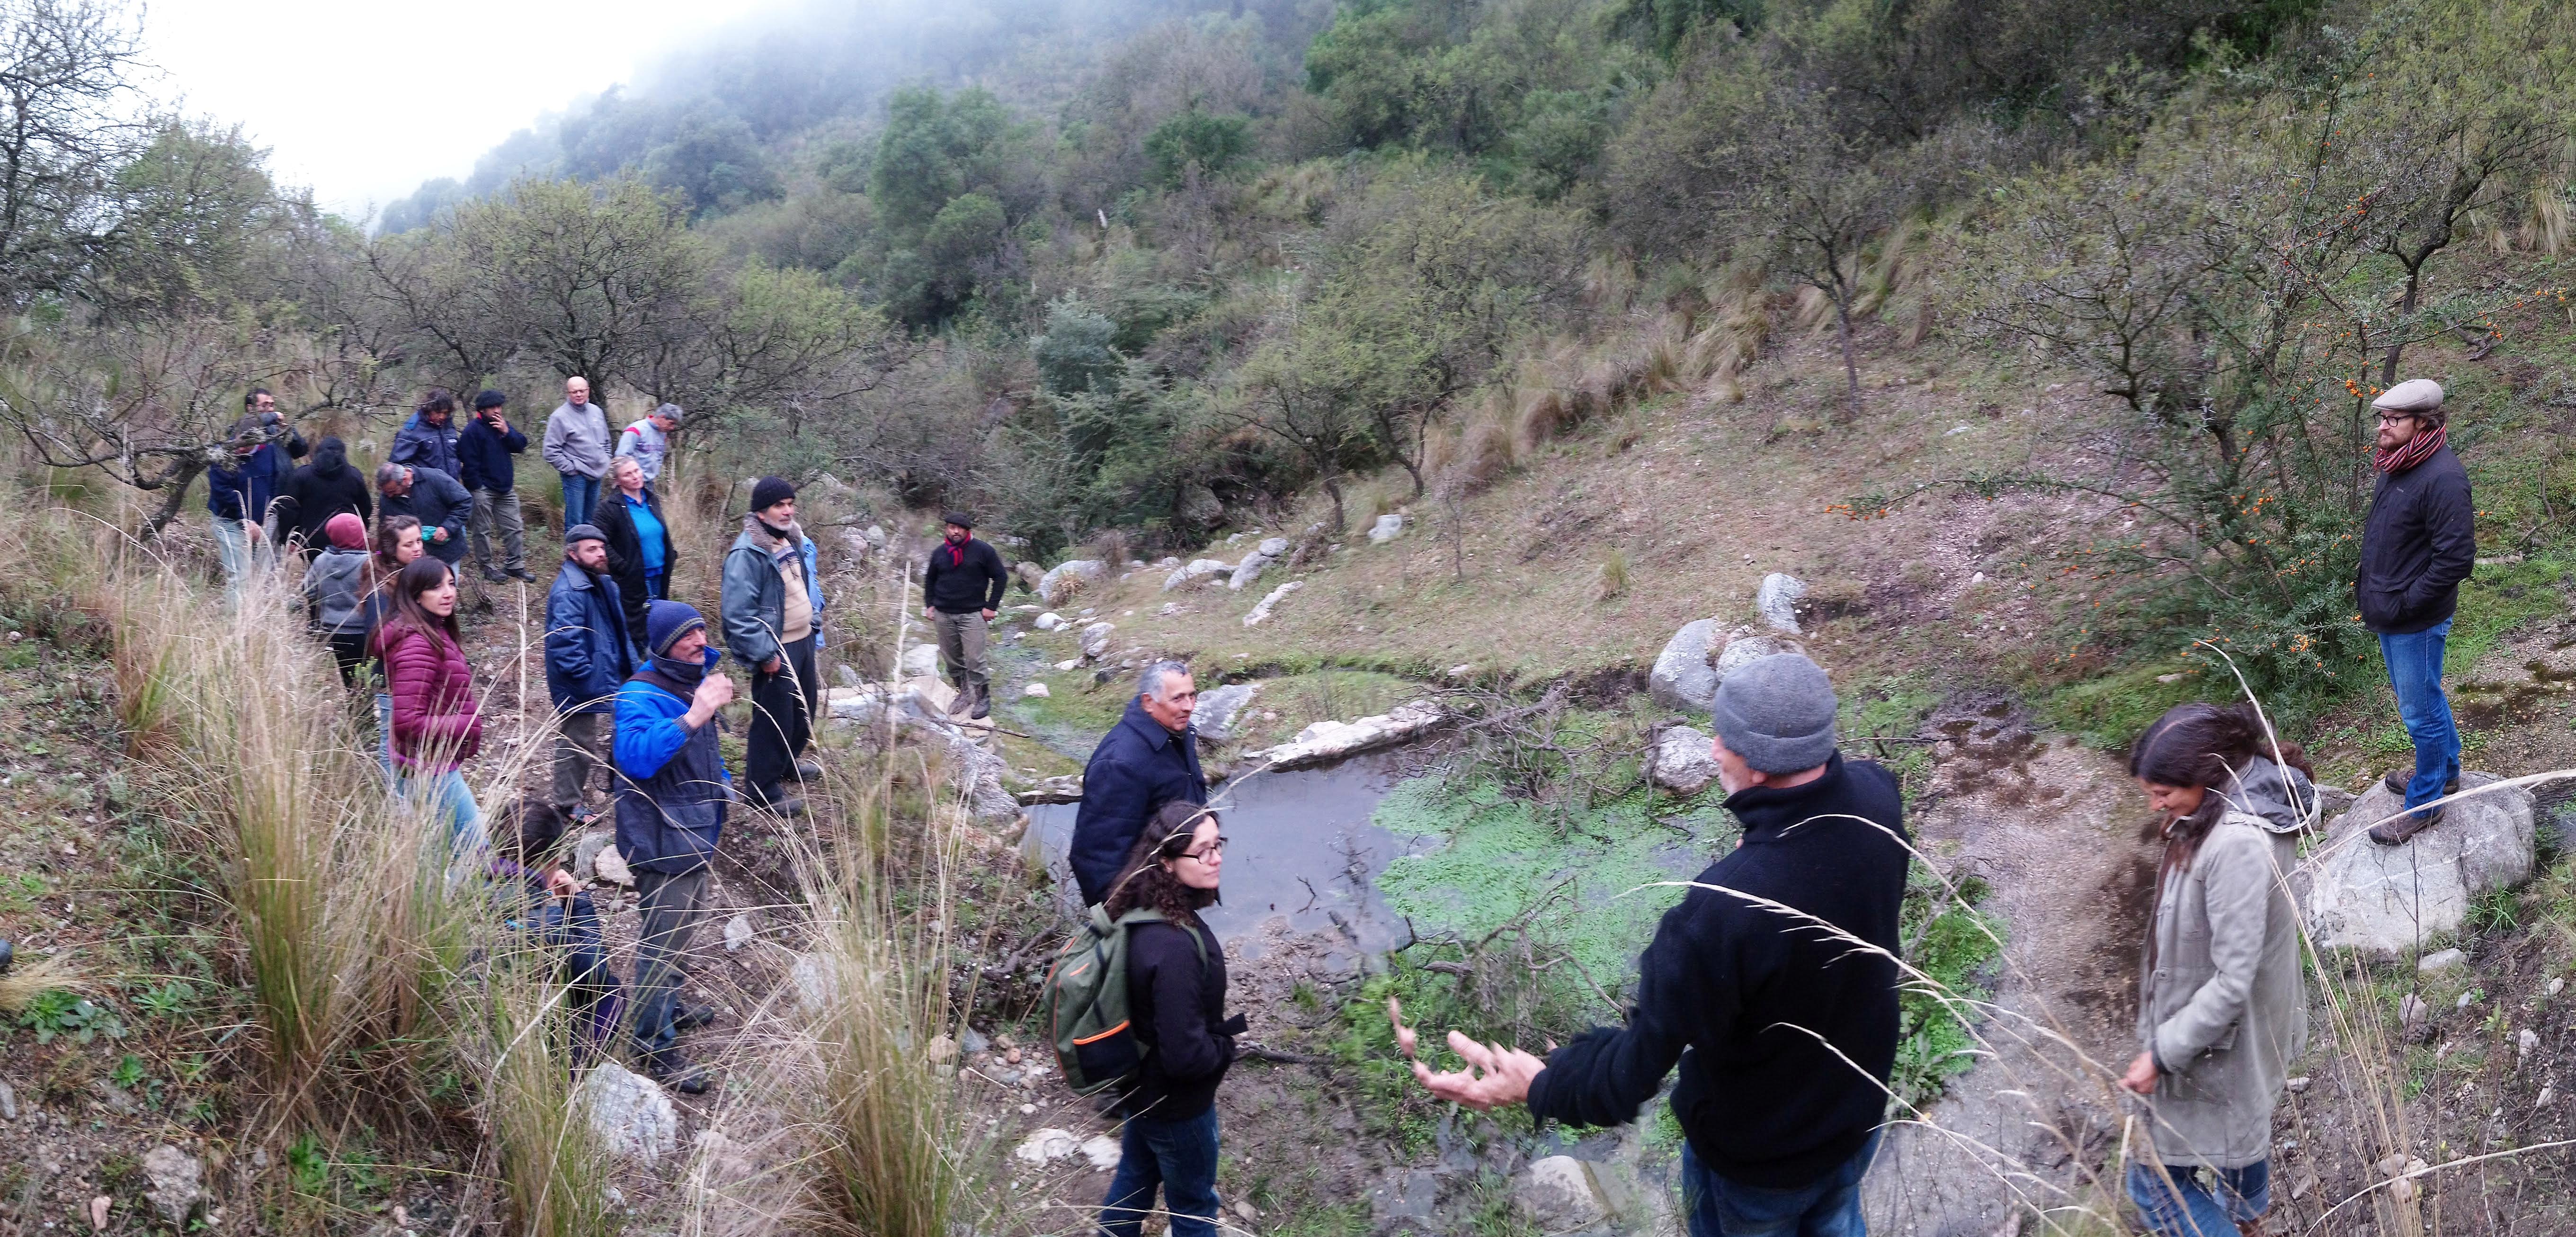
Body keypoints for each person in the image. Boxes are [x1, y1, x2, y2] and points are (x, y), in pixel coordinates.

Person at [1399, 654, 1907, 1237]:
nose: (1714, 748)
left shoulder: (1721, 910)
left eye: (1724, 737)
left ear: (1757, 765)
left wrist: (1540, 1082)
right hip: (1858, 1116)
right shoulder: (1877, 798)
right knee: (1839, 1221)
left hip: (1759, 1166)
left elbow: (1632, 1074)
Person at [2119, 703, 2309, 1237]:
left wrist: (2160, 1053)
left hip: (2219, 1043)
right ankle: (2249, 1218)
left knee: (2152, 1184)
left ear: (2206, 776)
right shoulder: (2220, 808)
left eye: (2163, 793)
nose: (2156, 807)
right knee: (2239, 1133)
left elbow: (2231, 980)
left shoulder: (2236, 843)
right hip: (2244, 1034)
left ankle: (2239, 1221)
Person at [1094, 801, 1243, 1237]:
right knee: (1194, 1206)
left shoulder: (1141, 914)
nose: (1215, 858)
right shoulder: (1174, 947)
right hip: (1178, 1106)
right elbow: (1185, 1056)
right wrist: (1224, 1046)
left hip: (1142, 1090)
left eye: (1219, 845)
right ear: (1167, 861)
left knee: (1135, 1179)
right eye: (1202, 851)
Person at [613, 600, 737, 1094]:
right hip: (662, 839)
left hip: (695, 830)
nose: (699, 640)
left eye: (702, 629)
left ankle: (669, 1005)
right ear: (664, 644)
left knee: (682, 934)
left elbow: (704, 754)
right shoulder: (638, 694)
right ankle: (651, 1045)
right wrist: (697, 712)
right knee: (661, 945)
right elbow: (636, 757)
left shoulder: (690, 680)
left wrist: (724, 784)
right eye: (687, 635)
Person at [2356, 377, 2475, 845]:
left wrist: (2407, 604)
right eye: (2381, 419)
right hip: (2390, 608)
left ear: (2423, 422)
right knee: (2425, 697)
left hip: (2415, 617)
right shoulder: (2399, 463)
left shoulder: (2443, 477)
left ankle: (2425, 803)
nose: (2382, 428)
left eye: (2392, 419)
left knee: (2418, 712)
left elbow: (2454, 560)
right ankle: (2444, 772)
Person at [490, 798, 625, 1061]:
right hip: (510, 1042)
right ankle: (565, 1078)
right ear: (551, 860)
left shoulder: (462, 885)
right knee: (612, 992)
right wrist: (579, 905)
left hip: (468, 1019)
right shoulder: (547, 922)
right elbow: (594, 972)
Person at [377, 556, 490, 861]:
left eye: (451, 584)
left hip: (430, 763)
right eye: (436, 587)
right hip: (428, 768)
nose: (448, 593)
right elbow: (406, 722)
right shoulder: (419, 644)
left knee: (444, 853)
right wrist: (466, 725)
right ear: (416, 595)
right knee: (476, 853)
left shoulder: (431, 632)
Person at [1069, 662, 1207, 906]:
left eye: (1192, 696)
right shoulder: (1119, 764)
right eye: (1178, 699)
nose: (1189, 707)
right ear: (1148, 702)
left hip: (1180, 887)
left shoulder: (1177, 735)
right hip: (1148, 904)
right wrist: (1127, 921)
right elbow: (1096, 859)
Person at [721, 476, 820, 816]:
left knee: (804, 712)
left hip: (803, 640)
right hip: (778, 649)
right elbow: (737, 614)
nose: (788, 511)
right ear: (761, 512)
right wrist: (765, 653)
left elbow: (795, 588)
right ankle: (761, 790)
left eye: (790, 504)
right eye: (780, 505)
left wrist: (812, 622)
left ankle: (787, 764)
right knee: (772, 720)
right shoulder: (747, 553)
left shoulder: (789, 539)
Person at [546, 524, 636, 825]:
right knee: (577, 740)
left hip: (606, 670)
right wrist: (586, 677)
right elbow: (563, 641)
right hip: (582, 681)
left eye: (601, 548)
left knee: (625, 723)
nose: (600, 554)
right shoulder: (570, 591)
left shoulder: (598, 581)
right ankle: (567, 804)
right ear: (573, 554)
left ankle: (618, 781)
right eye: (591, 550)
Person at [921, 511, 1007, 719]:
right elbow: (930, 581)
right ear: (947, 529)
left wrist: (991, 607)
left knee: (975, 660)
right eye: (952, 527)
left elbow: (1001, 577)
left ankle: (982, 698)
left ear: (967, 530)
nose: (955, 531)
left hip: (972, 615)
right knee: (951, 659)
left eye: (959, 528)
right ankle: (964, 693)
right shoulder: (940, 553)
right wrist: (930, 605)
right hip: (944, 614)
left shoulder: (983, 551)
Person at [359, 516, 426, 777]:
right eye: (408, 545)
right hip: (392, 680)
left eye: (419, 541)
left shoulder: (417, 576)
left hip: (419, 675)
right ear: (392, 550)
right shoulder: (381, 590)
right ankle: (394, 801)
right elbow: (377, 641)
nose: (417, 548)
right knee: (391, 742)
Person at [590, 455, 669, 651]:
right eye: (628, 474)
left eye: (637, 471)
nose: (635, 477)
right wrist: (622, 566)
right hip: (634, 577)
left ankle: (656, 661)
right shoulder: (609, 508)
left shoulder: (651, 499)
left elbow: (659, 532)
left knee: (658, 620)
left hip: (660, 573)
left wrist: (671, 554)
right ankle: (635, 666)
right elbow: (599, 540)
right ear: (617, 481)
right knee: (636, 624)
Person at [458, 389, 535, 583]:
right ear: (482, 410)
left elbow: (520, 445)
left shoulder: (502, 426)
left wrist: (507, 432)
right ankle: (487, 567)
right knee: (482, 530)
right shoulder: (472, 431)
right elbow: (468, 461)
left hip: (505, 488)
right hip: (483, 489)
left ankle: (515, 565)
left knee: (515, 527)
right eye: (493, 407)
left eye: (499, 406)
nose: (497, 410)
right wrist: (477, 487)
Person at [302, 513, 376, 686]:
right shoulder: (370, 563)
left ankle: (354, 708)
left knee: (348, 676)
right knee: (371, 676)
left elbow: (308, 590)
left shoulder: (322, 561)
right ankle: (367, 710)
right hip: (364, 630)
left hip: (335, 630)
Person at [231, 387, 309, 544]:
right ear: (251, 408)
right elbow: (244, 432)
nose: (270, 409)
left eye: (272, 405)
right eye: (265, 405)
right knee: (252, 548)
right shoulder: (244, 430)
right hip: (256, 500)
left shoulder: (277, 430)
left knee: (275, 548)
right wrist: (273, 416)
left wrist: (288, 430)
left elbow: (301, 450)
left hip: (282, 495)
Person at [282, 436, 371, 558]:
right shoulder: (354, 476)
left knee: (315, 574)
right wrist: (362, 529)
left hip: (309, 542)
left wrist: (289, 538)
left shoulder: (301, 476)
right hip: (347, 540)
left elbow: (288, 509)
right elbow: (365, 509)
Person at [544, 376, 613, 530]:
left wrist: (606, 460)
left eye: (582, 391)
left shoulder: (597, 411)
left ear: (588, 391)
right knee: (575, 523)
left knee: (591, 520)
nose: (579, 394)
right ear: (568, 393)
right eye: (574, 392)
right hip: (576, 477)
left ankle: (588, 553)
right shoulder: (559, 417)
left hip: (597, 474)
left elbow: (607, 440)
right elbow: (550, 451)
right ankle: (572, 554)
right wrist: (572, 469)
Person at [377, 462, 472, 568]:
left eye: (392, 491)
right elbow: (385, 530)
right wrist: (379, 555)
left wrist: (448, 527)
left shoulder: (434, 478)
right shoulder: (386, 498)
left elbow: (464, 501)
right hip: (411, 562)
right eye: (386, 493)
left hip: (446, 554)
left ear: (405, 480)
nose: (389, 496)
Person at [389, 388, 463, 481]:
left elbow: (456, 456)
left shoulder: (449, 427)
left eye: (446, 413)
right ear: (429, 409)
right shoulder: (412, 430)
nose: (442, 417)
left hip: (452, 486)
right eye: (438, 412)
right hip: (426, 489)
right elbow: (398, 464)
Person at [615, 403, 682, 484]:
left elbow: (659, 456)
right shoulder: (635, 430)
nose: (672, 428)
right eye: (671, 423)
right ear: (662, 417)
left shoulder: (663, 433)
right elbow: (621, 457)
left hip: (650, 482)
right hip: (633, 482)